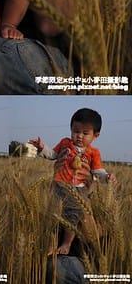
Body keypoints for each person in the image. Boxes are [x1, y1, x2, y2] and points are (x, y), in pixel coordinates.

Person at [29, 108, 115, 255]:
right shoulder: (65, 143)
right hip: (60, 185)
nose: (79, 136)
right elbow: (53, 154)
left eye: (85, 133)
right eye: (76, 131)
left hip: (79, 189)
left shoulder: (93, 153)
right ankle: (51, 243)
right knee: (53, 216)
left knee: (72, 216)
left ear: (95, 135)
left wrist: (106, 176)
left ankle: (66, 244)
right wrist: (42, 148)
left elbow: (97, 171)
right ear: (71, 130)